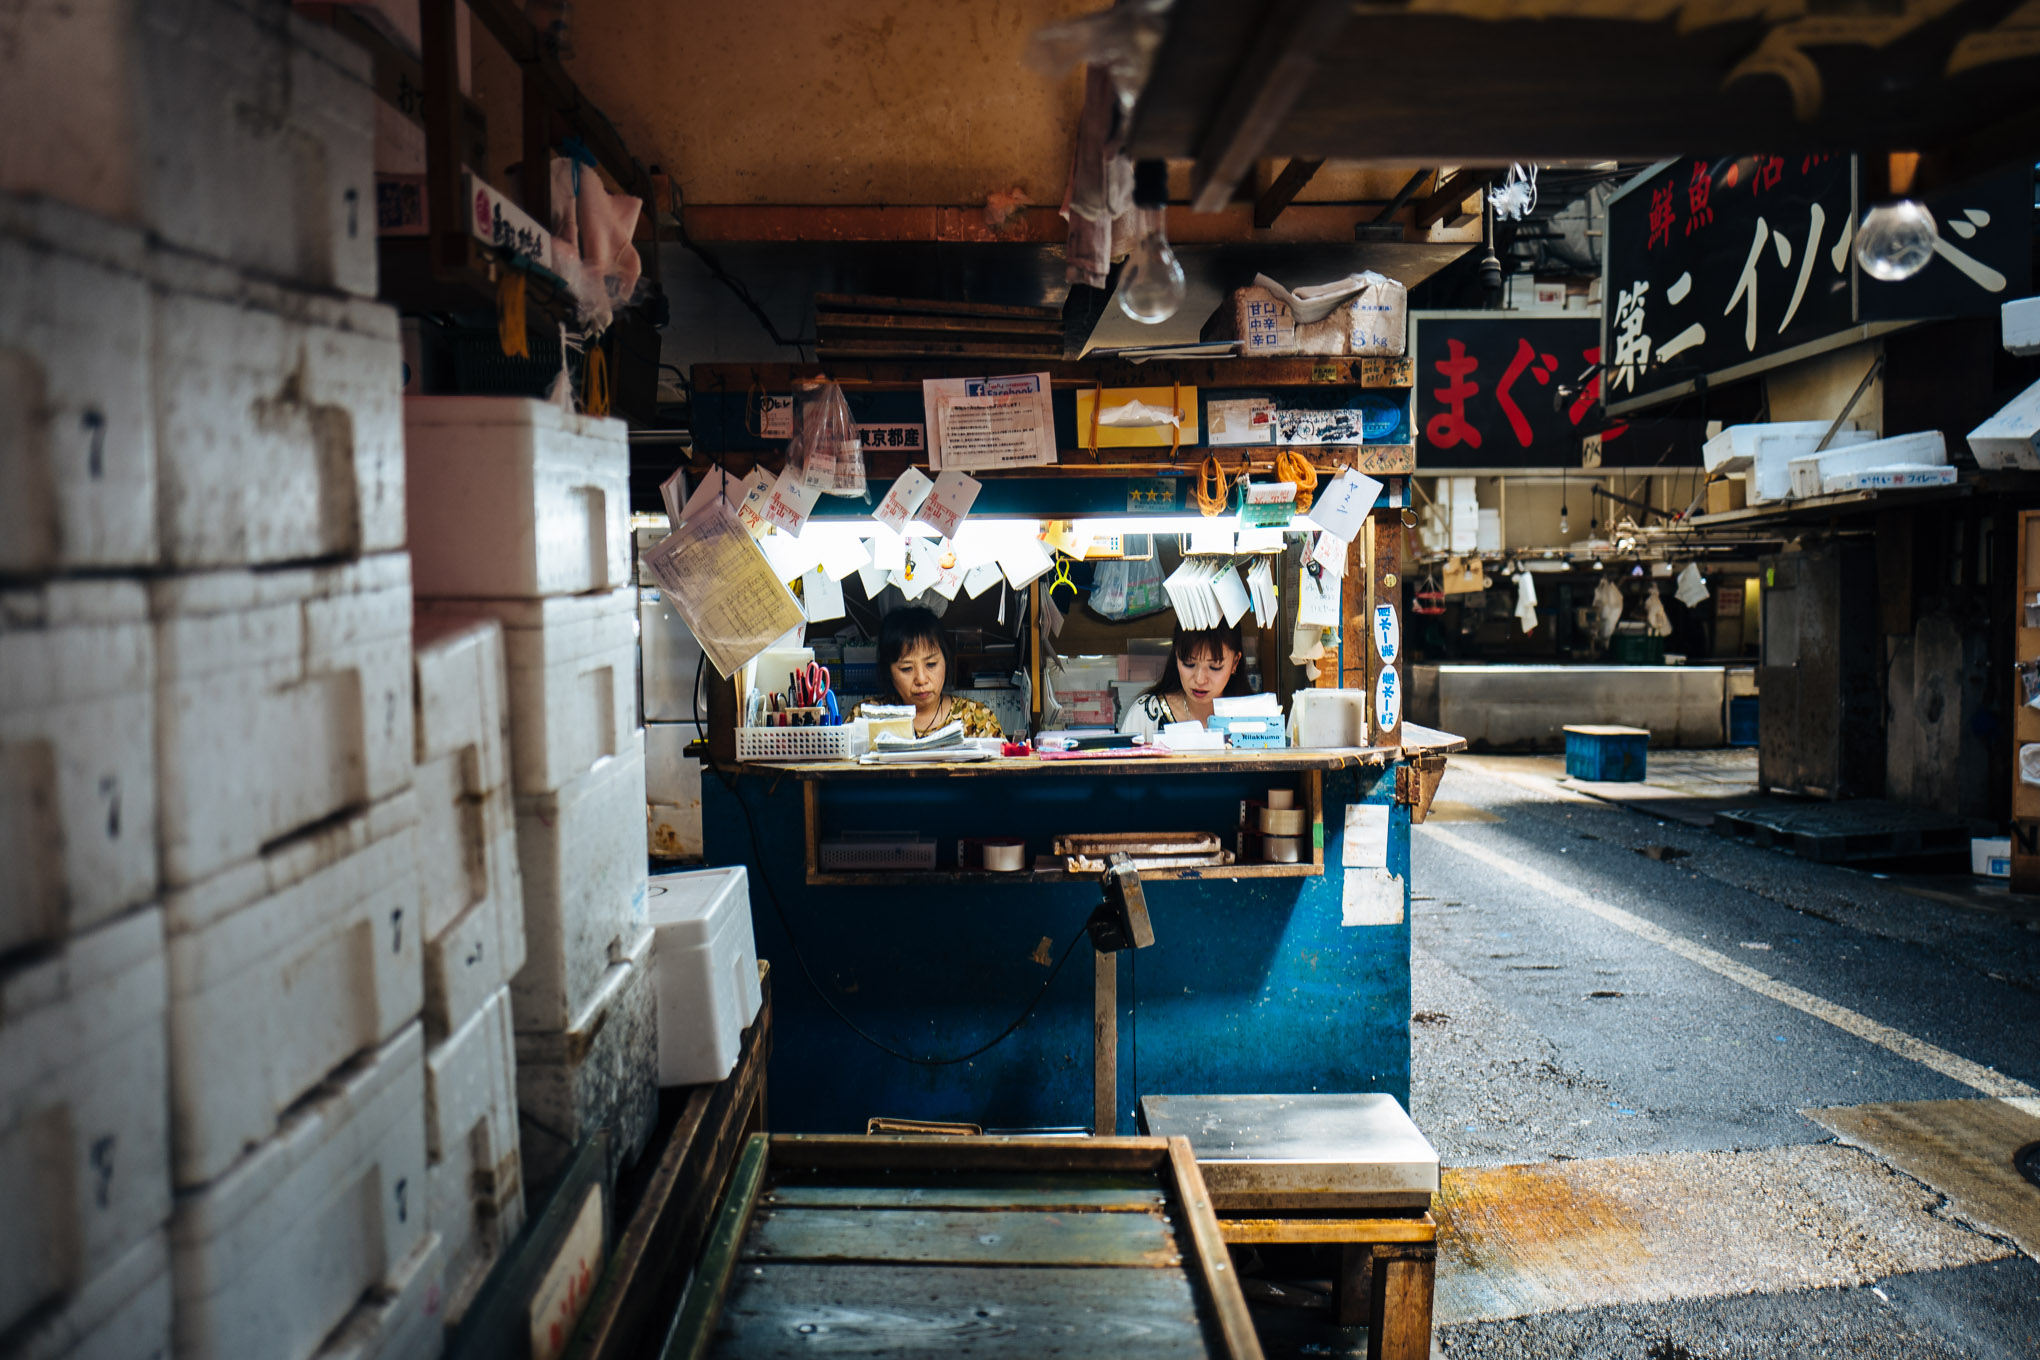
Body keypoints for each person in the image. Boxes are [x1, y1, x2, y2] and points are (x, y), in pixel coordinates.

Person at [854, 606, 1004, 738]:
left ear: (946, 660)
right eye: (906, 668)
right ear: (888, 671)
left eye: (931, 664)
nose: (921, 679)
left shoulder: (977, 719)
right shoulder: (865, 718)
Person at [1119, 620, 1253, 739]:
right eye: (1189, 664)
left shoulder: (1255, 718)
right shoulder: (1146, 715)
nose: (1200, 680)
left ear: (1235, 663)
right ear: (1176, 656)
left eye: (1214, 667)